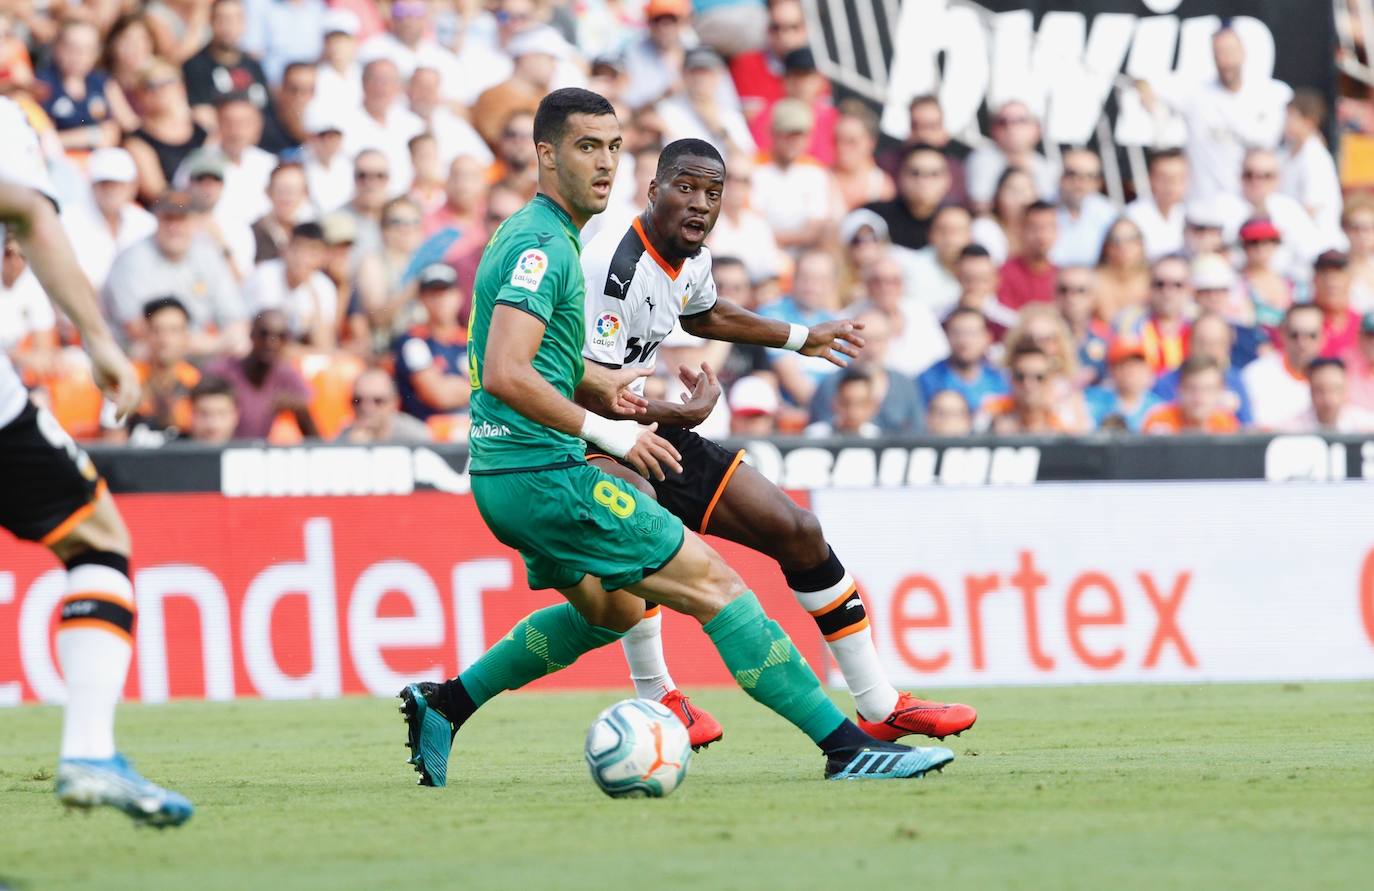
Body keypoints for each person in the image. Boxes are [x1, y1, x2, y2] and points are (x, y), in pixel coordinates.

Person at [399, 92, 957, 787]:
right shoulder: (547, 246)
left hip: (519, 472)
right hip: (544, 468)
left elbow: (538, 358)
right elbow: (510, 372)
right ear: (545, 155)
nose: (604, 163)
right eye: (585, 147)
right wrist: (614, 430)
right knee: (717, 585)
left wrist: (625, 397)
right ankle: (847, 745)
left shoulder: (548, 235)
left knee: (610, 612)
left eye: (612, 147)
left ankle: (445, 703)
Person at [579, 134, 973, 744]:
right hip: (579, 437)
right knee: (643, 520)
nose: (700, 204)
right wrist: (675, 414)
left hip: (644, 425)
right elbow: (586, 389)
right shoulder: (614, 266)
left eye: (713, 193)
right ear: (653, 190)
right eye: (685, 187)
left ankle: (879, 702)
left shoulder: (689, 256)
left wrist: (799, 336)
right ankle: (658, 698)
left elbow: (701, 312)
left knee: (798, 530)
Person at [0, 95, 191, 825]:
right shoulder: (10, 120)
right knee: (96, 538)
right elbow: (30, 214)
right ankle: (87, 751)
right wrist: (99, 341)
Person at [1136, 26, 1292, 201]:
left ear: (1243, 52)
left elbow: (1275, 142)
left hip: (1254, 205)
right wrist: (1147, 94)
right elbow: (1144, 80)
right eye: (1219, 53)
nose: (1226, 60)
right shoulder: (1196, 93)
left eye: (1230, 51)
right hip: (1206, 208)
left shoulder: (1271, 94)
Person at [103, 190, 247, 356]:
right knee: (146, 349)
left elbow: (234, 316)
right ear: (157, 219)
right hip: (145, 348)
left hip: (201, 346)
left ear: (195, 222)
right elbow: (136, 328)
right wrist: (213, 344)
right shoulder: (132, 260)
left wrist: (229, 339)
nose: (175, 227)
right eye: (168, 219)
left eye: (182, 219)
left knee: (241, 345)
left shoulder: (207, 254)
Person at [204, 308, 317, 440]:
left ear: (286, 341)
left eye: (279, 336)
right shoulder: (222, 371)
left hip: (262, 455)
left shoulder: (286, 374)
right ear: (252, 335)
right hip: (222, 451)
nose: (270, 342)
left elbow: (317, 440)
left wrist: (299, 409)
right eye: (264, 334)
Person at [807, 309, 922, 434]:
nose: (871, 349)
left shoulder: (904, 386)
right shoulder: (831, 385)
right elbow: (819, 434)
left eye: (878, 340)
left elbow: (918, 431)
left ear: (888, 341)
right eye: (863, 340)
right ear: (849, 341)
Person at [61, 148, 158, 292]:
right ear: (92, 185)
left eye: (119, 184)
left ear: (133, 186)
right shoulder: (68, 221)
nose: (112, 191)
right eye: (105, 184)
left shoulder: (146, 223)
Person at [750, 98, 838, 253]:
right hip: (761, 251)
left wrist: (779, 237)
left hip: (806, 254)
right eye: (787, 134)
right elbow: (750, 225)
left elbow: (816, 228)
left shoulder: (816, 172)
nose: (794, 142)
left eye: (799, 135)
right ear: (773, 134)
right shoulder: (753, 168)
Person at [36, 18, 134, 156]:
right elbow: (44, 138)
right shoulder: (41, 84)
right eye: (71, 47)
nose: (78, 55)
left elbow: (128, 126)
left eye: (87, 49)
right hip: (59, 160)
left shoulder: (103, 82)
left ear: (96, 53)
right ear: (57, 47)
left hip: (101, 160)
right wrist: (91, 136)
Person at [117, 296, 201, 440]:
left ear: (186, 335)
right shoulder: (126, 379)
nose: (165, 339)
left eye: (174, 330)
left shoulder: (196, 382)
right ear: (146, 334)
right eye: (157, 330)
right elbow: (113, 438)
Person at [393, 263, 470, 421]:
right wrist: (478, 388)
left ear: (458, 296)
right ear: (422, 299)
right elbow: (439, 395)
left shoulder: (472, 340)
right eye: (433, 294)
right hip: (427, 429)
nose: (440, 300)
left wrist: (454, 385)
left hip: (472, 426)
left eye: (446, 292)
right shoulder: (413, 341)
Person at [1153, 312, 1255, 427]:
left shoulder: (1236, 381)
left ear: (1227, 346)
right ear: (1189, 342)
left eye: (1215, 343)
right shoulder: (1166, 382)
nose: (1208, 350)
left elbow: (1247, 427)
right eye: (1202, 342)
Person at [181, 0, 270, 131]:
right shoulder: (194, 67)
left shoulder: (254, 65)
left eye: (235, 19)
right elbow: (202, 115)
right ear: (210, 21)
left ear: (244, 23)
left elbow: (267, 111)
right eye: (222, 19)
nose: (229, 26)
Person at [244, 222, 335, 348]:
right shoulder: (266, 275)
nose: (303, 257)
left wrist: (313, 294)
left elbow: (324, 346)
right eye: (298, 248)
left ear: (322, 256)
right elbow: (269, 341)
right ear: (286, 249)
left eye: (312, 251)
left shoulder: (324, 287)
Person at [655, 46, 754, 159]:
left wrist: (717, 128)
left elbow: (747, 161)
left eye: (707, 73)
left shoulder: (731, 115)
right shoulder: (666, 110)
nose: (700, 79)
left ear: (719, 75)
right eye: (695, 72)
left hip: (722, 175)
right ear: (683, 74)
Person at [1242, 303, 1325, 430]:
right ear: (1282, 334)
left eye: (1312, 335)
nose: (1302, 343)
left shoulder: (1334, 378)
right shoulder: (1257, 375)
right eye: (1294, 335)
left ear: (1323, 337)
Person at [964, 100, 1059, 210]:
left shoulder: (1049, 168)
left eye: (1021, 120)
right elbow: (980, 207)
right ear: (992, 129)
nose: (1011, 128)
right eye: (1002, 122)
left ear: (1037, 128)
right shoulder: (981, 160)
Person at [916, 307, 1008, 415]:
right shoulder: (928, 380)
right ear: (947, 336)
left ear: (987, 338)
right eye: (957, 333)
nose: (964, 341)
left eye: (972, 333)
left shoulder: (1000, 381)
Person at [1281, 90, 1343, 247]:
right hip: (1295, 237)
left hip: (1317, 241)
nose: (1286, 121)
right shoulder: (1287, 151)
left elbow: (1311, 207)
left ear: (1309, 121)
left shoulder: (1315, 156)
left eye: (1292, 117)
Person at [863, 143, 950, 251]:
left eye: (934, 174)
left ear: (948, 181)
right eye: (915, 173)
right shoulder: (873, 217)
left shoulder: (954, 224)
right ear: (900, 176)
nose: (923, 182)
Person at [1117, 254, 1191, 375]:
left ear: (1189, 288)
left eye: (1177, 285)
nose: (1168, 292)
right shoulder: (1128, 323)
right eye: (1160, 284)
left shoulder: (1200, 325)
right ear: (1149, 287)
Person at [1140, 355, 1240, 434]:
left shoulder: (1226, 424)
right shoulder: (1160, 422)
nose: (1199, 398)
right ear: (1179, 389)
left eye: (1208, 389)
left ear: (1220, 391)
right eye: (1191, 388)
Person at [1052, 148, 1116, 267]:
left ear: (1098, 183)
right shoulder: (1041, 211)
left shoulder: (1108, 213)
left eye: (1089, 176)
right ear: (1060, 177)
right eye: (1072, 174)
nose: (1079, 183)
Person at [982, 343, 1065, 434]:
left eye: (1039, 377)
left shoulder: (1063, 417)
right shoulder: (992, 411)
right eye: (1020, 377)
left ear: (1049, 381)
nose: (1028, 384)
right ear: (1011, 379)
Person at [905, 204, 970, 319]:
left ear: (970, 235)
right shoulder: (913, 268)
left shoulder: (980, 266)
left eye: (957, 231)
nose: (950, 239)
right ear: (930, 234)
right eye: (943, 230)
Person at [337, 366, 432, 443]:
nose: (366, 407)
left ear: (394, 403)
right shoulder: (345, 438)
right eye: (358, 400)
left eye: (378, 401)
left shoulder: (415, 438)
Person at [1125, 148, 1189, 261]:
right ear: (1150, 179)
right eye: (1164, 178)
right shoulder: (1132, 216)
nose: (1171, 185)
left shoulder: (1197, 214)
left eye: (1179, 178)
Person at [1084, 340, 1160, 432]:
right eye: (1124, 366)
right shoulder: (1093, 401)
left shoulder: (1158, 410)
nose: (1131, 372)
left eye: (1137, 366)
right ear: (1112, 371)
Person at [1282, 357, 1374, 433]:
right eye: (1320, 390)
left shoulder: (1367, 427)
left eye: (1336, 389)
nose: (1329, 400)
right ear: (1311, 392)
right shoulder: (1292, 431)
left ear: (1346, 390)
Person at [997, 200, 1058, 311]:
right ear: (1021, 230)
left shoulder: (1062, 278)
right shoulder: (1004, 274)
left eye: (1049, 227)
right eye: (1034, 228)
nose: (1042, 235)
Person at [832, 103, 894, 212]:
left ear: (871, 142)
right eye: (837, 140)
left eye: (851, 142)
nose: (841, 148)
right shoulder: (820, 177)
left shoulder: (882, 189)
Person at [970, 166, 1035, 265]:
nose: (1021, 198)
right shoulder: (985, 227)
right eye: (1013, 191)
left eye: (1026, 189)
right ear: (998, 195)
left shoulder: (1043, 227)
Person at [250, 162, 310, 264]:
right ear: (268, 192)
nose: (286, 197)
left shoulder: (309, 234)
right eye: (281, 190)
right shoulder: (254, 231)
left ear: (304, 194)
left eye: (292, 191)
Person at [1095, 217, 1151, 322]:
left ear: (1141, 245)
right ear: (1107, 246)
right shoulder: (1094, 281)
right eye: (1116, 240)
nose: (1123, 246)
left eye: (1131, 239)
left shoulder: (1155, 281)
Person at [1311, 251, 1362, 358]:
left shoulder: (1362, 325)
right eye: (1324, 275)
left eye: (1337, 275)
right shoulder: (1300, 322)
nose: (1331, 282)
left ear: (1349, 280)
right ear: (1314, 280)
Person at [805, 368, 882, 438]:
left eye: (861, 404)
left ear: (872, 406)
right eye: (846, 403)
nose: (853, 412)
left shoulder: (878, 437)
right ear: (835, 403)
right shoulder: (815, 436)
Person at [1343, 196, 1374, 314]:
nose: (1362, 235)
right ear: (1345, 230)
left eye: (1367, 229)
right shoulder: (1337, 267)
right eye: (1355, 228)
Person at [186, 374, 239, 442]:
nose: (213, 424)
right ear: (191, 414)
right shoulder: (171, 449)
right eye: (204, 414)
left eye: (221, 413)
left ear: (235, 415)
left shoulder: (250, 451)